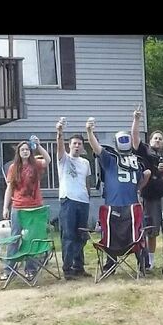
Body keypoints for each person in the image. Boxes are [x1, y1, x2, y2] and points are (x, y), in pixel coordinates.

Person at [131, 106, 163, 272]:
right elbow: (135, 139)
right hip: (149, 197)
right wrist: (136, 120)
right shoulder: (145, 152)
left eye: (160, 139)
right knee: (151, 230)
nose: (157, 141)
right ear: (150, 141)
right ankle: (150, 261)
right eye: (155, 138)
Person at [1, 137, 52, 281]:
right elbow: (9, 188)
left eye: (27, 150)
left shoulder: (36, 164)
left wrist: (39, 146)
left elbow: (48, 160)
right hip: (18, 207)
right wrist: (5, 207)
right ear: (18, 152)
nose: (25, 152)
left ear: (30, 151)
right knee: (15, 238)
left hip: (35, 207)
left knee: (31, 239)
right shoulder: (13, 168)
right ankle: (8, 269)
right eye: (22, 150)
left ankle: (30, 268)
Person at [85, 117, 151, 206]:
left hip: (129, 204)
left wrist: (138, 190)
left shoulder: (134, 161)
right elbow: (96, 147)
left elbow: (145, 175)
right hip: (116, 204)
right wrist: (89, 132)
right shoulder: (111, 159)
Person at [56, 117, 92, 279]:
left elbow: (87, 182)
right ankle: (67, 268)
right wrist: (60, 132)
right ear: (69, 145)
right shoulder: (63, 159)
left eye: (79, 143)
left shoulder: (85, 162)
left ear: (83, 146)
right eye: (74, 143)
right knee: (69, 235)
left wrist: (88, 196)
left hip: (83, 201)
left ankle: (79, 266)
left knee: (81, 235)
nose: (77, 146)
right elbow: (59, 148)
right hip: (68, 200)